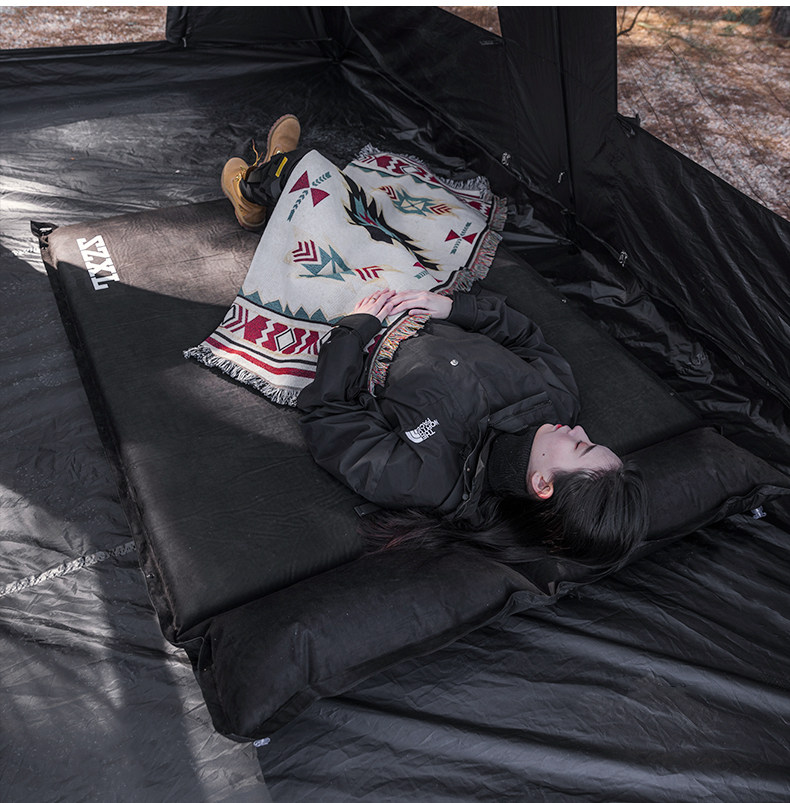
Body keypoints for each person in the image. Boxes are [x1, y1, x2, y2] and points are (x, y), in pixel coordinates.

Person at [221, 116, 650, 567]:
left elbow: (327, 417)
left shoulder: (422, 479)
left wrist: (356, 329)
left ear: (543, 484)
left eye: (581, 446)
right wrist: (452, 308)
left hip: (353, 327)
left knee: (326, 216)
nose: (579, 430)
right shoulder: (556, 401)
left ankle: (257, 187)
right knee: (404, 213)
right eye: (590, 439)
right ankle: (279, 174)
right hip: (422, 297)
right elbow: (524, 336)